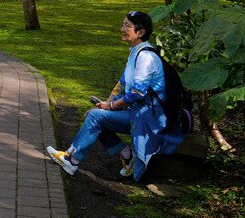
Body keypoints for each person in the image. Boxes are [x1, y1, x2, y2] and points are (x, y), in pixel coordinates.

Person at [46, 11, 179, 181]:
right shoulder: (135, 52)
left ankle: (71, 159)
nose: (122, 29)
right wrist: (106, 103)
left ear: (141, 32)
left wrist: (111, 106)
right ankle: (127, 155)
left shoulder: (145, 57)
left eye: (127, 26)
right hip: (138, 112)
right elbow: (122, 83)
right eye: (123, 24)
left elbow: (137, 93)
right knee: (96, 115)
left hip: (148, 117)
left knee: (96, 117)